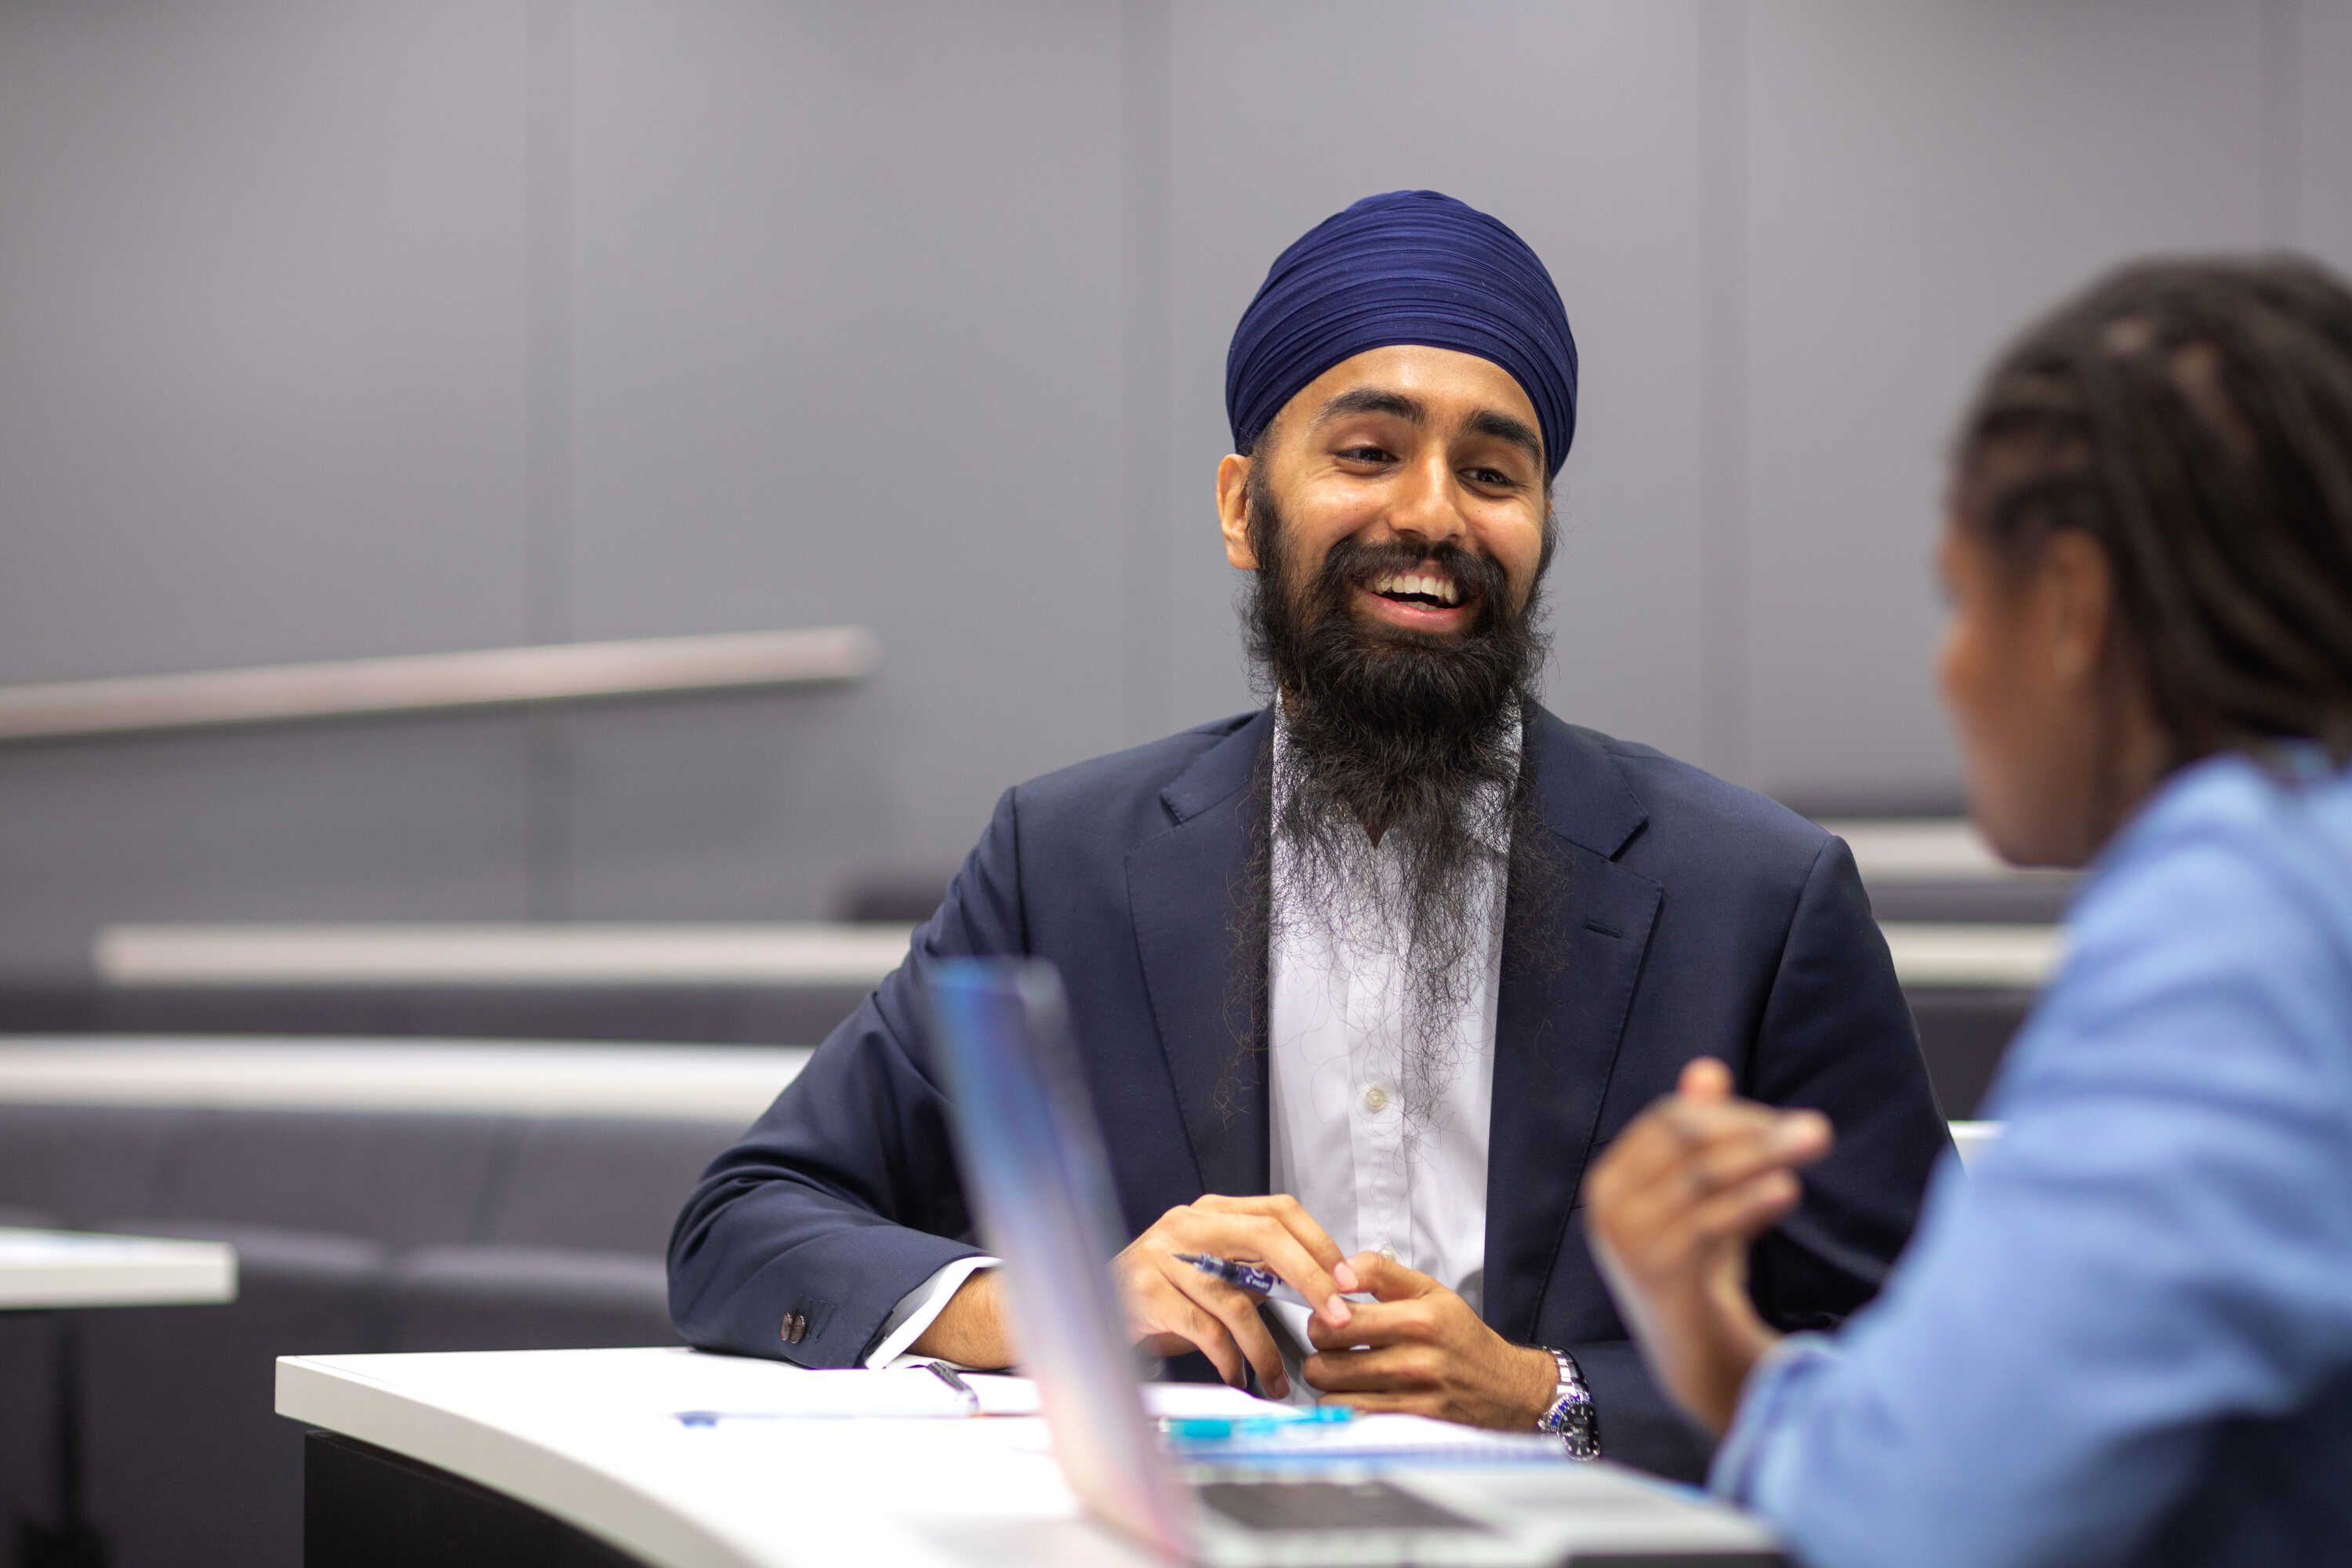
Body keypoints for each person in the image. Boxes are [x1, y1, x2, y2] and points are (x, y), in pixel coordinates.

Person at [669, 189, 1949, 1481]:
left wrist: (1547, 1395)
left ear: (1541, 530)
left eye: (1493, 473)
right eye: (1366, 453)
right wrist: (1055, 1303)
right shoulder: (1063, 862)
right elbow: (748, 1221)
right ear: (1244, 510)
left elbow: (1932, 1365)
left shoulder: (1755, 900)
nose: (1435, 516)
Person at [1583, 256, 2352, 1561]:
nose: (1947, 667)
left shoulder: (2243, 922)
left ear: (2071, 606)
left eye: (1958, 598)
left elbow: (1924, 1517)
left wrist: (1712, 1345)